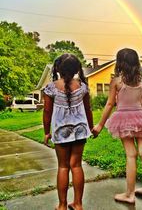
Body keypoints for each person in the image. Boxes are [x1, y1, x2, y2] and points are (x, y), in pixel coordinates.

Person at [92, 48, 142, 204]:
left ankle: (130, 194)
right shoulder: (141, 81)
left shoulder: (117, 81)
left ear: (120, 63)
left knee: (131, 155)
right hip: (141, 117)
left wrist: (100, 125)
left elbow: (110, 103)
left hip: (122, 119)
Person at [43, 53, 93, 210]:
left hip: (61, 131)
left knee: (63, 167)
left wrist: (46, 132)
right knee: (76, 165)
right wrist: (90, 127)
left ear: (57, 68)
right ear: (77, 69)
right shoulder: (83, 87)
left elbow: (46, 112)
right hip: (80, 130)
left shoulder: (51, 88)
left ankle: (62, 205)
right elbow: (88, 109)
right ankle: (78, 204)